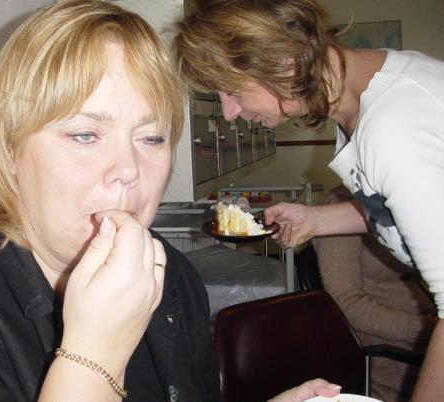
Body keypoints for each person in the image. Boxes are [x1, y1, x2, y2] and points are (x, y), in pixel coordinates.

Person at [0, 1, 340, 401]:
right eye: (85, 134)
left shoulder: (171, 278)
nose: (129, 169)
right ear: (10, 150)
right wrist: (94, 355)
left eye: (151, 138)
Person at [172, 0, 444, 400]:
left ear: (283, 62)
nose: (229, 113)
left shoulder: (394, 130)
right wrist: (317, 220)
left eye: (232, 90)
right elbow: (402, 209)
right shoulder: (367, 96)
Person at [313, 186, 438, 401]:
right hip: (392, 344)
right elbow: (347, 303)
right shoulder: (341, 204)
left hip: (424, 327)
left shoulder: (399, 198)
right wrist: (423, 328)